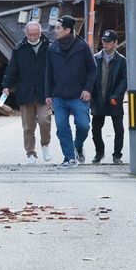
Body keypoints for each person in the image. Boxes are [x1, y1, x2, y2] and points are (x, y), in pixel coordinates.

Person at [44, 14, 97, 167]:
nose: (55, 31)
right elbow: (48, 72)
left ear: (68, 30)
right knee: (61, 127)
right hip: (59, 96)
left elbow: (92, 69)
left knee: (83, 125)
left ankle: (78, 145)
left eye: (58, 28)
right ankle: (69, 158)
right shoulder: (53, 48)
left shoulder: (82, 47)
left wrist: (88, 89)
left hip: (78, 95)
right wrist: (48, 94)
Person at [0, 21, 52, 164]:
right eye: (31, 34)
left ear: (40, 33)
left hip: (44, 92)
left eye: (36, 34)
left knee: (44, 120)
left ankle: (45, 144)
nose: (33, 37)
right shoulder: (19, 49)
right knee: (28, 126)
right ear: (26, 34)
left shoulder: (50, 47)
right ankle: (30, 152)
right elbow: (11, 70)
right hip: (25, 92)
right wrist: (6, 85)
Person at [91, 30, 127, 164]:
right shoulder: (96, 58)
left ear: (115, 43)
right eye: (104, 41)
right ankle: (99, 153)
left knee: (119, 130)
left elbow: (125, 80)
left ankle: (117, 155)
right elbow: (90, 77)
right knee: (95, 129)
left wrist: (116, 96)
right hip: (98, 99)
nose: (105, 44)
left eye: (108, 42)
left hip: (114, 100)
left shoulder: (121, 61)